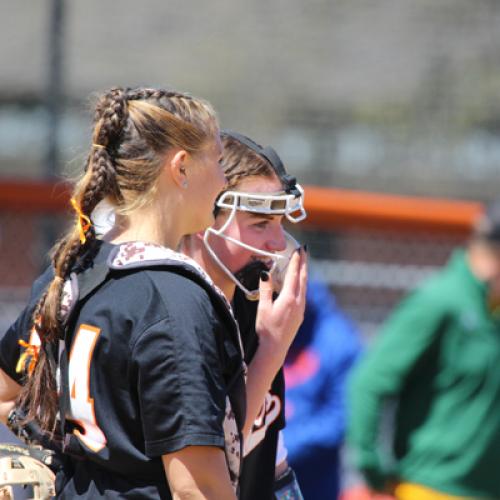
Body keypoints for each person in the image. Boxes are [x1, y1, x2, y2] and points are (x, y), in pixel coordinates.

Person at [0, 86, 246, 499]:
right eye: (219, 161)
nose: (224, 179)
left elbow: (6, 397)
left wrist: (58, 456)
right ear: (181, 167)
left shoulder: (72, 271)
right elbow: (196, 487)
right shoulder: (173, 301)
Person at [182, 131, 308, 500]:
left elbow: (269, 455)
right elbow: (215, 456)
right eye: (259, 224)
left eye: (280, 224)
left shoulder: (252, 301)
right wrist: (271, 348)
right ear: (203, 218)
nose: (278, 242)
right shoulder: (177, 312)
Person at [347, 199, 500, 500]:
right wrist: (372, 467)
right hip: (429, 488)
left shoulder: (491, 308)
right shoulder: (440, 300)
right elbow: (369, 383)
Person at [283, 279, 362, 500]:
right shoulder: (252, 324)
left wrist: (281, 446)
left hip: (313, 481)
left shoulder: (337, 339)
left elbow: (342, 415)